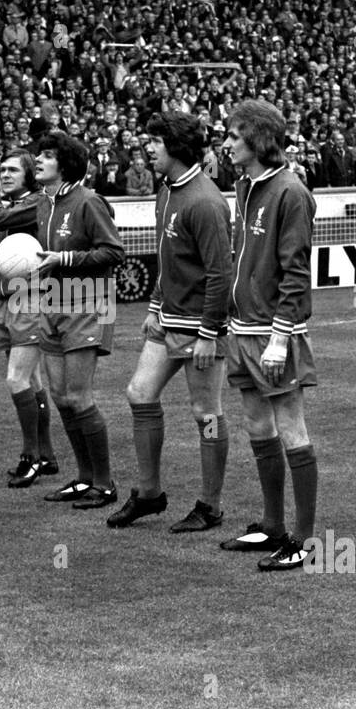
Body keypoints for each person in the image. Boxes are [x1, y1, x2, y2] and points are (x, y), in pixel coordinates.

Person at [109, 112, 232, 531]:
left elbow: (220, 274)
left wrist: (209, 334)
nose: (148, 149)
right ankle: (148, 494)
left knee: (207, 413)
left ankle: (210, 507)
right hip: (168, 318)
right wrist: (154, 305)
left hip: (201, 327)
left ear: (176, 147)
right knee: (140, 394)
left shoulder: (206, 201)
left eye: (155, 142)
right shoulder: (167, 191)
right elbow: (168, 258)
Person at [215, 100, 322, 570]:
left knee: (291, 428)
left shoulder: (290, 192)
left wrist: (280, 337)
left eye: (234, 137)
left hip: (274, 333)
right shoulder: (244, 185)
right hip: (242, 329)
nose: (225, 144)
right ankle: (272, 524)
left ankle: (304, 538)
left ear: (258, 140)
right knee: (258, 428)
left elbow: (296, 270)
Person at [32, 130, 126, 509]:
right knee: (60, 397)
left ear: (66, 164)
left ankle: (104, 483)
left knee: (78, 395)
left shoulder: (89, 201)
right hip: (52, 302)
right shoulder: (43, 204)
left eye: (47, 155)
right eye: (38, 154)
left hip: (89, 303)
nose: (38, 160)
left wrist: (65, 259)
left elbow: (113, 251)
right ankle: (84, 477)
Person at [0, 149, 58, 487]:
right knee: (33, 382)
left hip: (34, 299)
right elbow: (7, 263)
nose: (4, 175)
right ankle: (48, 455)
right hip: (10, 299)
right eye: (1, 170)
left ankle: (31, 457)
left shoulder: (35, 203)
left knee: (17, 380)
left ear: (29, 175)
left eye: (12, 170)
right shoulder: (18, 206)